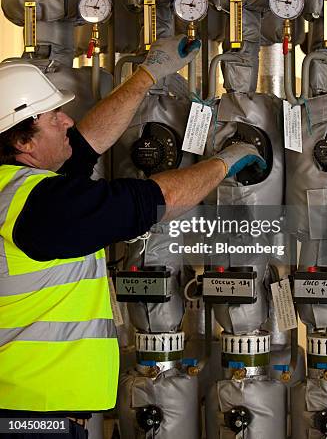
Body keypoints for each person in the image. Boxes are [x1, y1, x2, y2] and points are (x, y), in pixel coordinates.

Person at [0, 35, 265, 438]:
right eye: (53, 116)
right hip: (30, 414)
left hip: (30, 408)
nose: (67, 121)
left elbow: (84, 146)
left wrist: (147, 75)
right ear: (22, 141)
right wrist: (223, 164)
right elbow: (155, 200)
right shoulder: (41, 207)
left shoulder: (20, 189)